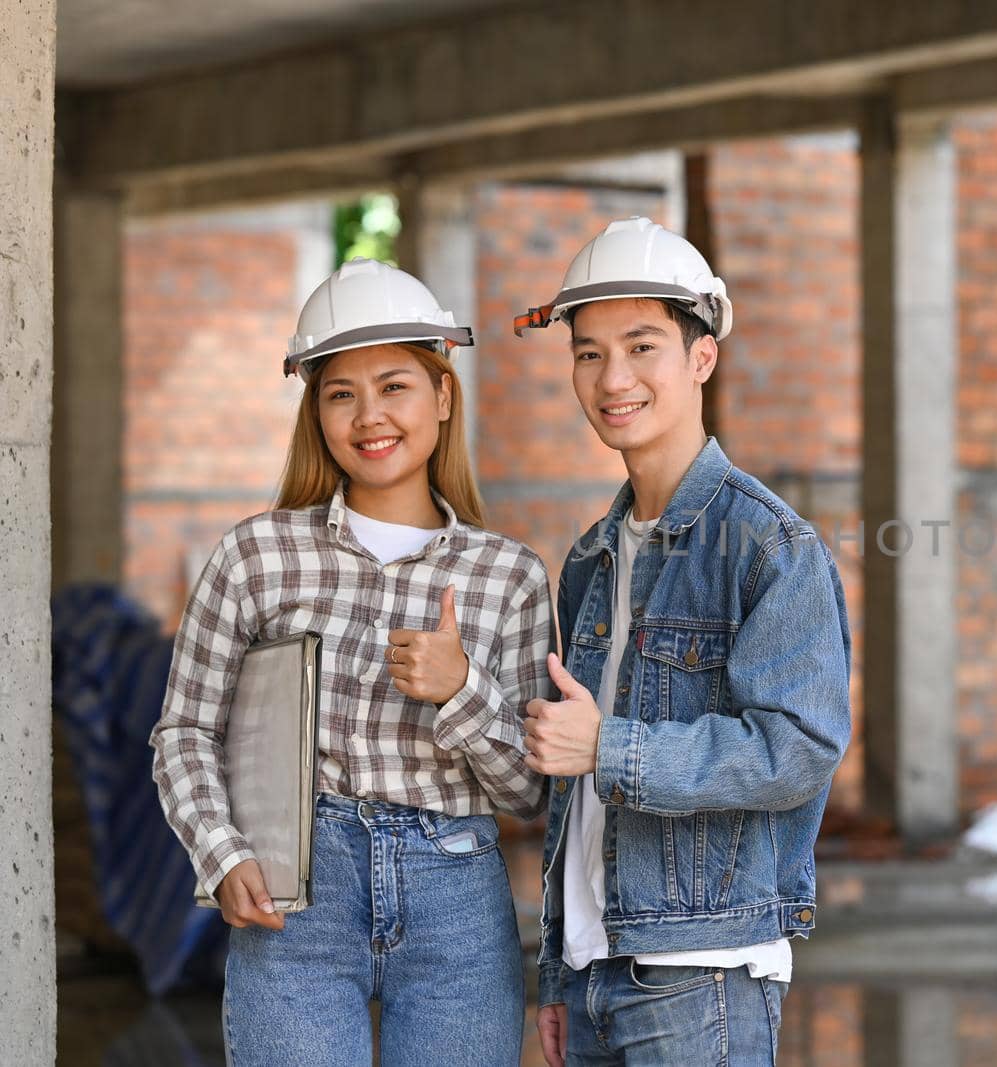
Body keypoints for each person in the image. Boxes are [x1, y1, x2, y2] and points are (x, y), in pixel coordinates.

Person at [150, 258, 551, 1067]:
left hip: (457, 900)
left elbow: (531, 792)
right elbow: (184, 731)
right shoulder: (256, 556)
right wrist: (222, 854)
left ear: (442, 396)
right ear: (316, 409)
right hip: (296, 893)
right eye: (341, 392)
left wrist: (461, 690)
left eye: (395, 385)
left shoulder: (509, 575)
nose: (370, 414)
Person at [515, 217, 853, 1066]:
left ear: (702, 357)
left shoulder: (770, 544)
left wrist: (611, 746)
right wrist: (558, 972)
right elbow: (572, 794)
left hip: (702, 976)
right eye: (588, 352)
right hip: (596, 970)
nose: (612, 378)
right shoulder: (592, 556)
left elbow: (798, 747)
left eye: (641, 346)